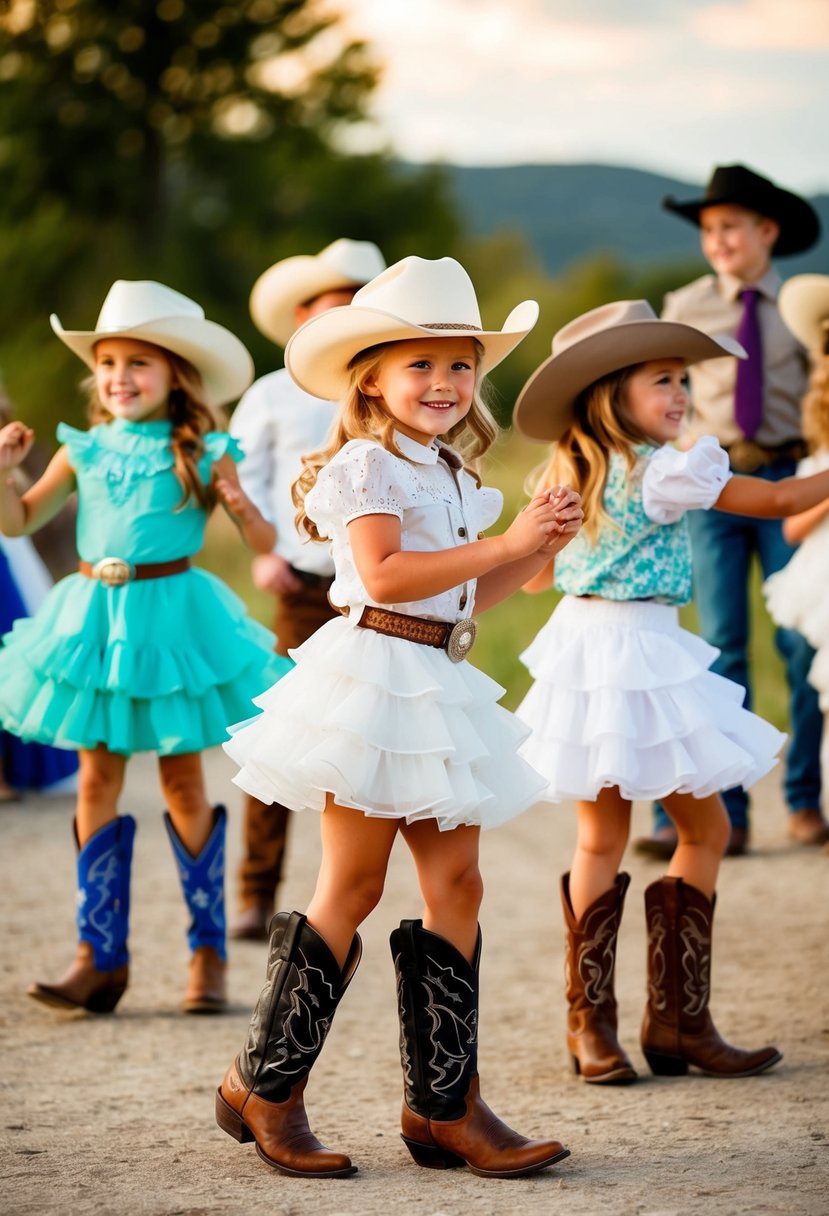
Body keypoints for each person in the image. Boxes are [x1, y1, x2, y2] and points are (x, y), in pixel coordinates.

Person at [215, 256, 581, 1180]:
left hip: (434, 675)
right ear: (370, 375)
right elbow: (381, 576)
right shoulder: (364, 464)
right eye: (419, 364)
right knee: (354, 884)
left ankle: (443, 1107)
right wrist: (499, 541)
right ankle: (265, 1085)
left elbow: (469, 593)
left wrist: (532, 546)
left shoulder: (453, 472)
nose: (444, 383)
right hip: (375, 677)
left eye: (460, 365)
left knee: (458, 883)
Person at [513, 299, 829, 1086]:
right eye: (663, 380)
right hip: (638, 654)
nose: (681, 393)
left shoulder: (570, 469)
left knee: (608, 837)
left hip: (587, 650)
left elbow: (538, 575)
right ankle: (666, 1023)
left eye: (682, 378)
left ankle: (608, 1029)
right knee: (703, 829)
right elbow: (782, 501)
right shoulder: (663, 470)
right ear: (612, 391)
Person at [0, 280, 291, 1015]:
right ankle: (99, 955)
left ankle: (208, 957)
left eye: (139, 363)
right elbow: (17, 522)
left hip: (172, 621)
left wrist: (237, 497)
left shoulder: (201, 449)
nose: (120, 377)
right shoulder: (84, 449)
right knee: (94, 778)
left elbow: (262, 541)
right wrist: (4, 469)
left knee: (183, 783)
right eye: (108, 363)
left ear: (175, 377)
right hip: (93, 619)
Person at [635, 163, 826, 859]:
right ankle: (727, 812)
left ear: (765, 231)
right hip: (710, 488)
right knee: (721, 645)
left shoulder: (803, 308)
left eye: (729, 227)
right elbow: (657, 389)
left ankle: (803, 799)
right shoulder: (685, 304)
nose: (716, 241)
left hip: (787, 480)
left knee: (802, 640)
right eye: (708, 230)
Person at [229, 237, 387, 941]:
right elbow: (240, 480)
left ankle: (344, 889)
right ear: (302, 316)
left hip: (377, 591)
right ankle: (253, 888)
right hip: (302, 582)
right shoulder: (269, 395)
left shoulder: (384, 391)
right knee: (284, 731)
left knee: (362, 736)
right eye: (336, 306)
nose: (349, 317)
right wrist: (261, 552)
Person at [765, 274, 829, 856]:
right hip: (821, 587)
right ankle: (808, 797)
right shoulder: (818, 458)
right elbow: (791, 522)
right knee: (815, 683)